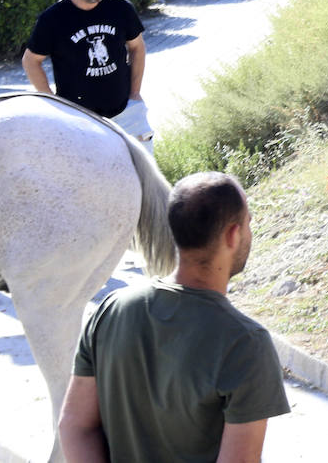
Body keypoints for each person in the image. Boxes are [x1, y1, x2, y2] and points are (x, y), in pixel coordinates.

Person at [58, 172, 291, 462]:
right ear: (233, 235)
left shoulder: (111, 310)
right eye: (248, 223)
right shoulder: (245, 343)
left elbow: (75, 426)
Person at [22, 0, 151, 139]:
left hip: (125, 113)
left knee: (144, 168)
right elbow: (31, 61)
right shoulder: (53, 19)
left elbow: (137, 47)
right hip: (78, 121)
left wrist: (135, 93)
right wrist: (53, 103)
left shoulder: (121, 8)